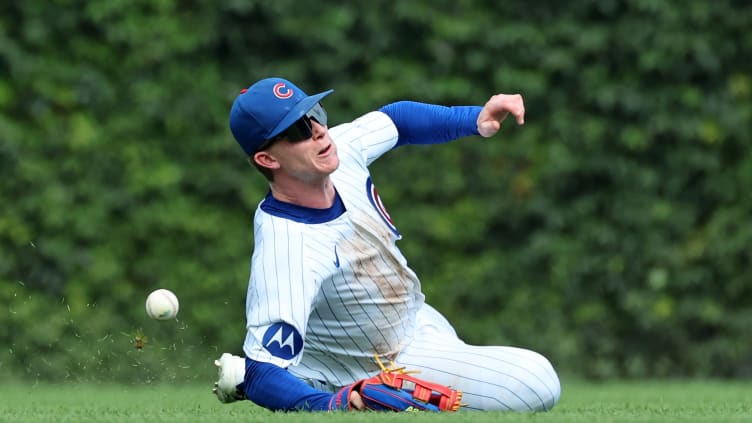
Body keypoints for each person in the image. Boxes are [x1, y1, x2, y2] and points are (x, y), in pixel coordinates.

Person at [213, 77, 561, 412]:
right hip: (374, 365)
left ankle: (308, 378)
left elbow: (397, 119)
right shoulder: (287, 247)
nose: (318, 131)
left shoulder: (338, 148)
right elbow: (262, 371)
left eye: (314, 115)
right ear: (268, 159)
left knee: (463, 369)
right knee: (535, 382)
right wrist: (335, 406)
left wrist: (474, 118)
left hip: (417, 320)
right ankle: (325, 385)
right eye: (298, 130)